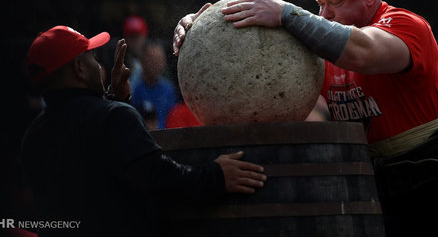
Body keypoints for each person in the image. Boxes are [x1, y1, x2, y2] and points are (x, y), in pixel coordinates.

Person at [174, 0, 438, 236]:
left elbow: (362, 52)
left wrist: (287, 13)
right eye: (319, 4)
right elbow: (265, 74)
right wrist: (207, 34)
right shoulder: (323, 53)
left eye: (335, 3)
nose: (324, 14)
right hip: (377, 189)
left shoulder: (405, 25)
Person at [21, 25, 266, 237]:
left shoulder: (33, 135)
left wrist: (115, 99)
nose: (99, 66)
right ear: (79, 69)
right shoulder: (113, 117)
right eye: (92, 58)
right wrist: (217, 176)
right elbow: (161, 179)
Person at [130, 41, 179, 130]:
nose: (156, 64)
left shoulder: (168, 89)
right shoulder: (133, 88)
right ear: (142, 61)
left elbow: (173, 118)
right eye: (152, 59)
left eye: (159, 59)